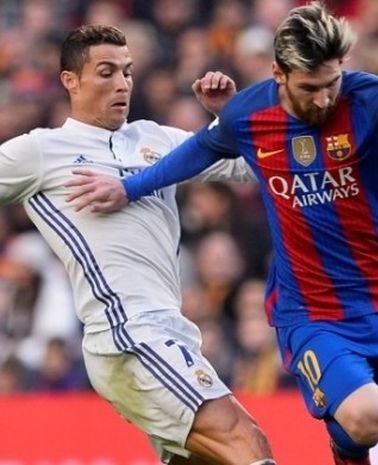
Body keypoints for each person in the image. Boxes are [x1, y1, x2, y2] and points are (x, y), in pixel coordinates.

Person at [66, 3, 378, 465]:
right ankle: (344, 449)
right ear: (279, 73)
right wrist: (128, 188)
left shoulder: (370, 98)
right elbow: (194, 154)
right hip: (313, 312)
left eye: (332, 83)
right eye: (310, 87)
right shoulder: (248, 115)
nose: (323, 99)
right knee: (366, 415)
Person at [0, 25, 275, 465]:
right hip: (126, 334)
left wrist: (233, 119)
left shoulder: (156, 139)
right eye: (105, 72)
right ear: (70, 80)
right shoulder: (40, 151)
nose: (122, 84)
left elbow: (251, 167)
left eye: (127, 72)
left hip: (172, 332)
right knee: (246, 442)